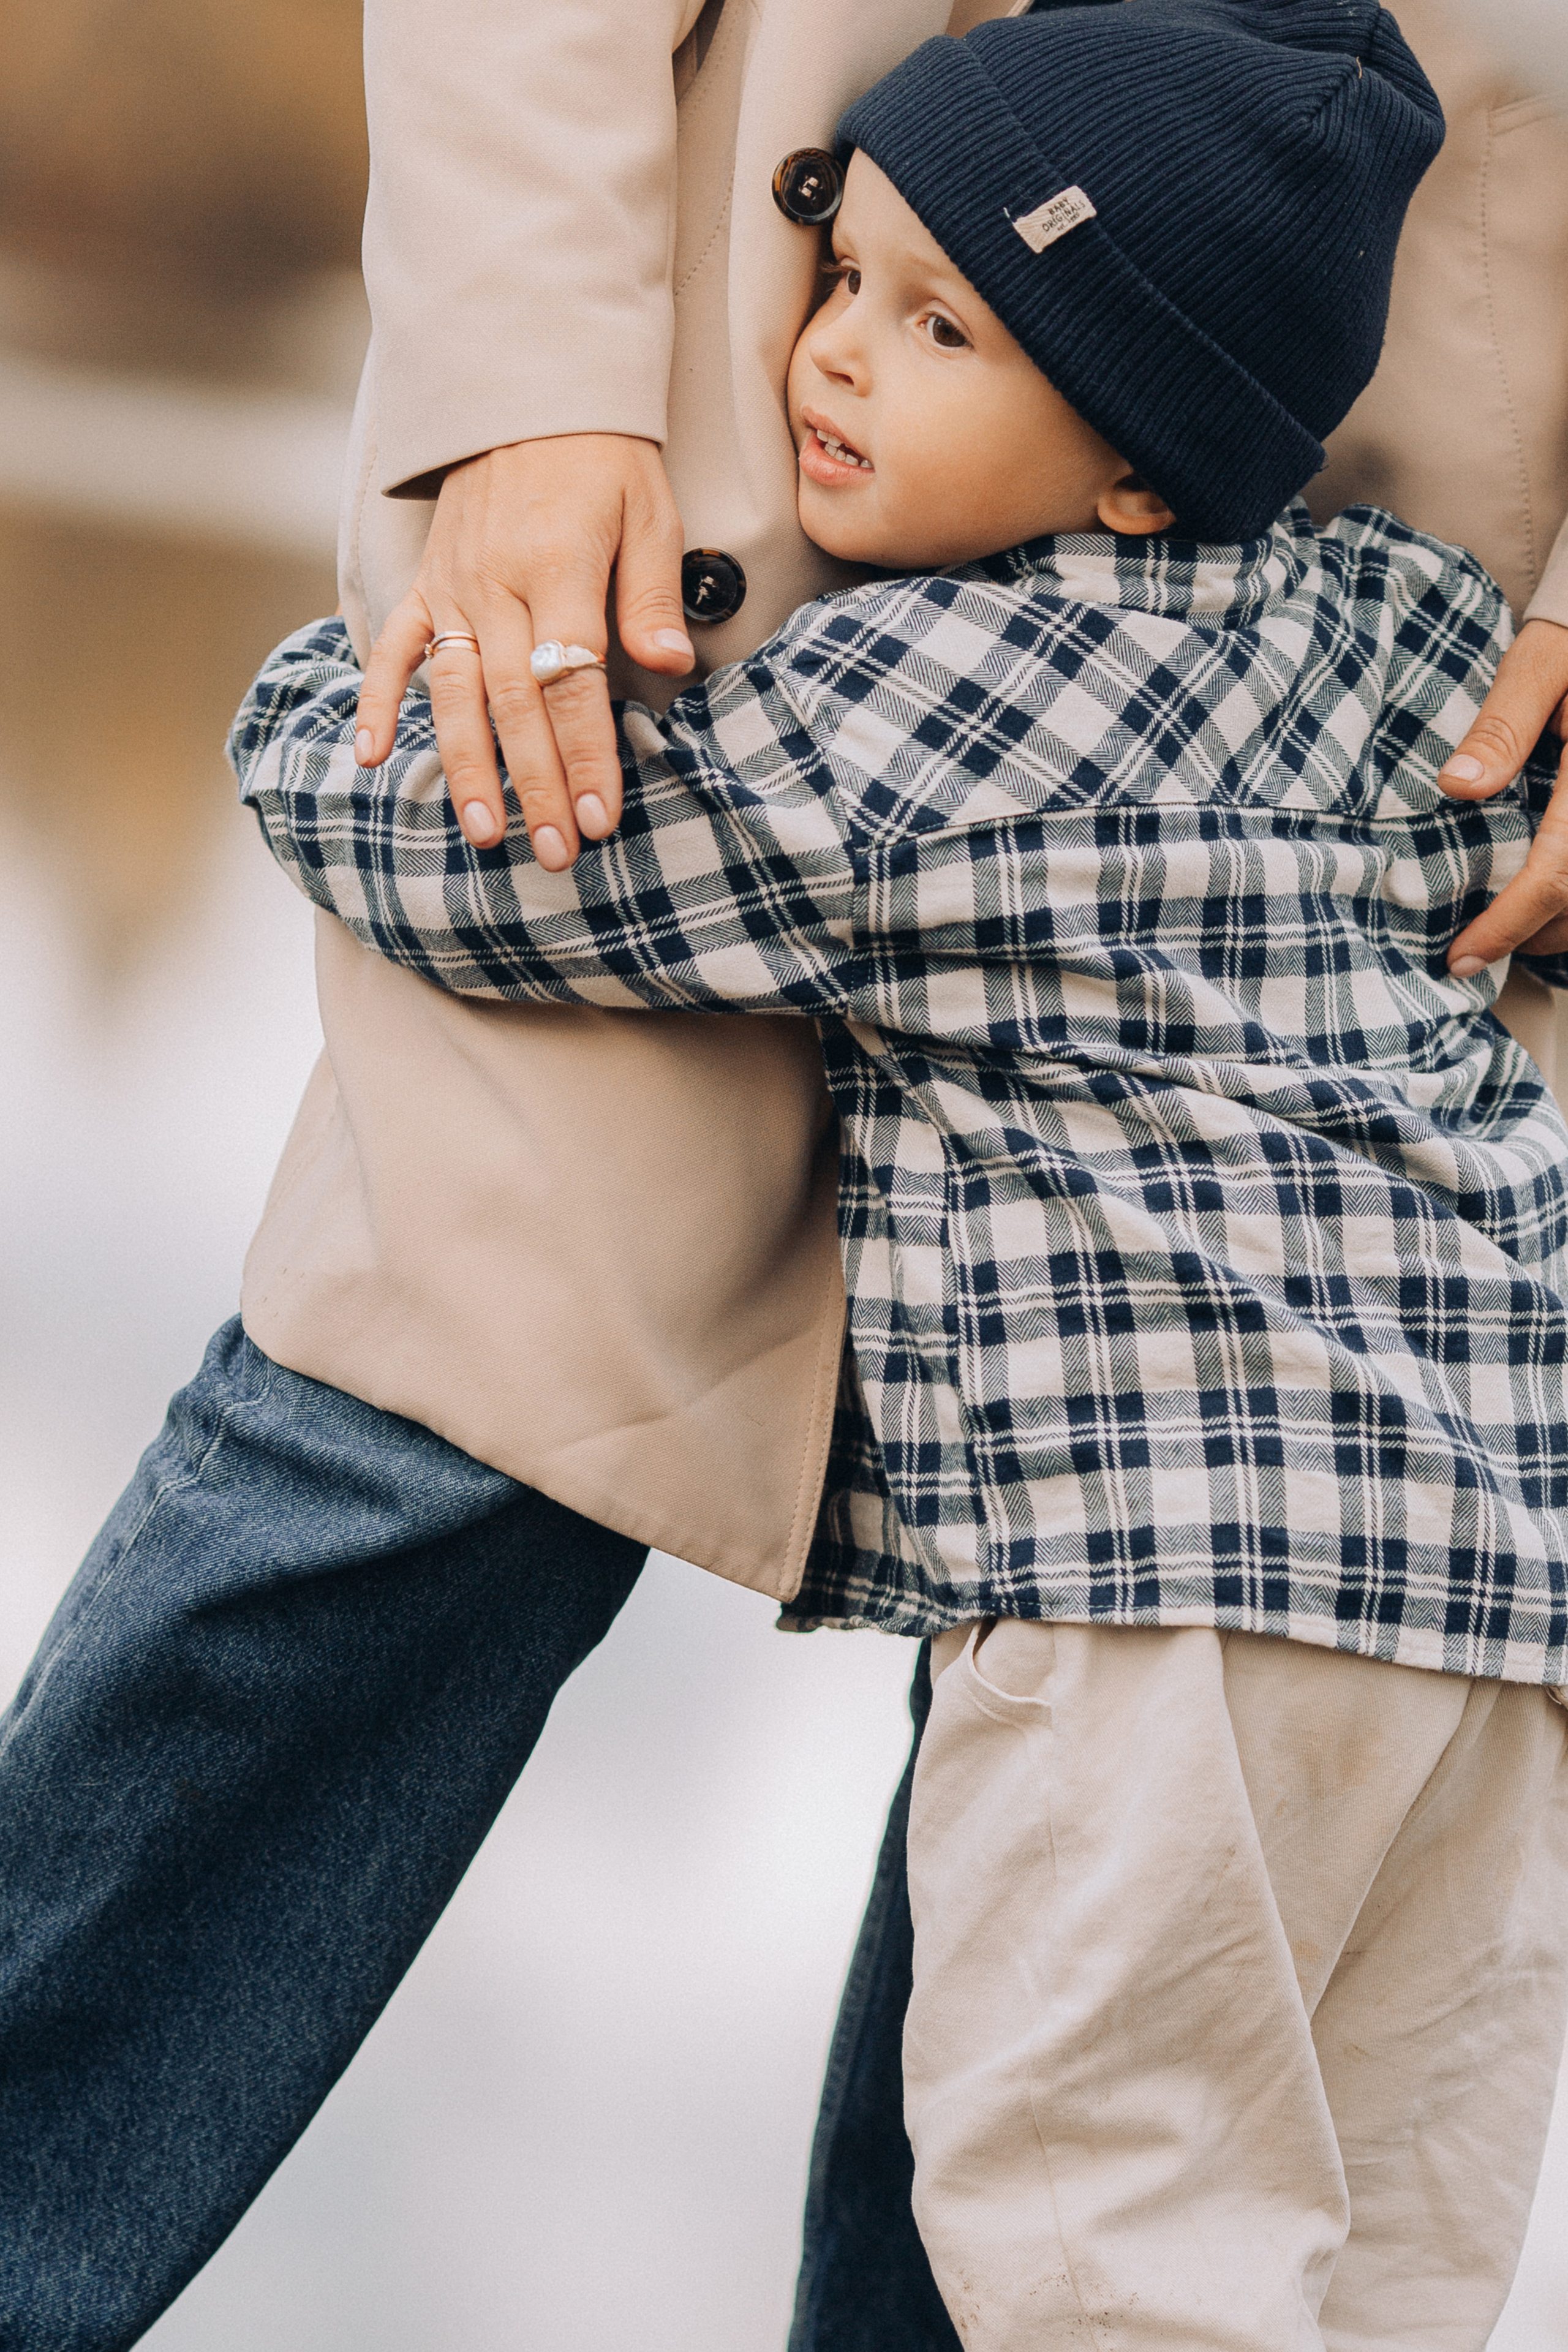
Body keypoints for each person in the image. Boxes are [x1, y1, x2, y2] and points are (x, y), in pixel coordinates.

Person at [232, 7, 1568, 2344]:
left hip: (1167, 1594)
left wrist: (300, 710)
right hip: (1492, 1614)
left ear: (1135, 466)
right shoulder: (1405, 639)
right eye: (846, 280)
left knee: (1103, 2246)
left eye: (938, 328)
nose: (828, 359)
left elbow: (530, 870)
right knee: (1378, 2269)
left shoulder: (914, 716)